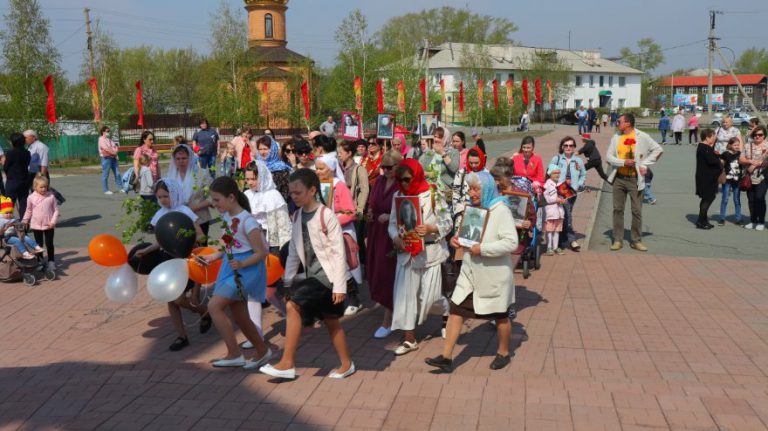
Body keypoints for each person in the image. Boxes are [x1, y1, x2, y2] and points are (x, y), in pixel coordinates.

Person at [260, 169, 354, 380]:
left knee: (292, 305)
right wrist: (287, 281)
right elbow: (294, 251)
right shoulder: (298, 215)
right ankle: (347, 364)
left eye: (298, 192)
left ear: (312, 190)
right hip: (312, 277)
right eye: (291, 193)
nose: (293, 196)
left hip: (328, 278)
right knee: (331, 322)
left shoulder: (326, 215)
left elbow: (339, 253)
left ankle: (287, 363)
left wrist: (340, 287)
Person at [425, 171, 518, 373]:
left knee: (500, 316)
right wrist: (456, 240)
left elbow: (511, 242)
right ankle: (446, 357)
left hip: (493, 276)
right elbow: (466, 237)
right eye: (470, 189)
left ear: (487, 189)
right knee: (456, 310)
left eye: (476, 189)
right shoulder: (474, 210)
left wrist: (482, 249)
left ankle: (503, 352)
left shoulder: (501, 210)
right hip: (470, 273)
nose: (472, 193)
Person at [198, 176, 272, 368]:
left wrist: (242, 263)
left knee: (214, 306)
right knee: (239, 314)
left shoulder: (248, 222)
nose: (214, 204)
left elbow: (262, 252)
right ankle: (262, 351)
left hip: (246, 270)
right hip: (232, 267)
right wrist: (214, 257)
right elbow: (229, 246)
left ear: (231, 197)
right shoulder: (227, 217)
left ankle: (234, 354)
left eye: (217, 200)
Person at [134, 179, 211, 351]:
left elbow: (200, 235)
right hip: (167, 259)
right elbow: (161, 241)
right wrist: (146, 250)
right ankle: (182, 336)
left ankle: (204, 311)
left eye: (166, 196)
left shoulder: (185, 211)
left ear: (174, 193)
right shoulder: (160, 215)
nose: (163, 200)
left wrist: (189, 240)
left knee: (179, 299)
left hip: (184, 258)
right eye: (159, 197)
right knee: (170, 299)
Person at [388, 159, 450, 356]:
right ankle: (409, 339)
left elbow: (447, 222)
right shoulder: (398, 195)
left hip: (429, 253)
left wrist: (431, 228)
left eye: (407, 179)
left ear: (416, 176)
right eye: (400, 179)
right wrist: (395, 237)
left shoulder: (433, 193)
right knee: (405, 297)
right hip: (407, 254)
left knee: (431, 299)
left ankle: (447, 312)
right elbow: (392, 223)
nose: (404, 183)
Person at [606, 113, 663, 251]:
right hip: (619, 178)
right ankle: (618, 240)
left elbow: (658, 150)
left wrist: (644, 164)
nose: (617, 123)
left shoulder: (642, 136)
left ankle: (636, 240)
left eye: (619, 121)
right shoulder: (616, 137)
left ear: (628, 123)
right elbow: (608, 157)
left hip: (635, 180)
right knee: (618, 210)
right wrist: (623, 162)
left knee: (637, 210)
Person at [244, 160, 291, 325]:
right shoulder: (247, 195)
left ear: (262, 177)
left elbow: (283, 225)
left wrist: (280, 251)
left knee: (271, 289)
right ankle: (256, 331)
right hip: (252, 244)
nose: (250, 182)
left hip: (271, 243)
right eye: (247, 179)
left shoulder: (273, 196)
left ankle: (291, 313)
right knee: (255, 289)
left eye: (253, 179)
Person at [315, 154, 363, 315]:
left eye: (321, 168)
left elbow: (351, 212)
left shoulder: (339, 186)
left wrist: (331, 221)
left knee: (344, 266)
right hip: (324, 233)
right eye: (316, 168)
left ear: (331, 169)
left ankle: (354, 299)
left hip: (341, 232)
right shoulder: (317, 186)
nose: (318, 171)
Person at [366, 150, 402, 339]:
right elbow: (372, 202)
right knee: (375, 272)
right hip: (376, 232)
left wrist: (390, 216)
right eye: (383, 167)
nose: (386, 170)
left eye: (389, 167)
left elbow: (406, 209)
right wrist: (370, 212)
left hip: (392, 235)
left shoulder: (402, 183)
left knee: (388, 274)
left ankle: (388, 320)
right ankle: (391, 309)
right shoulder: (379, 181)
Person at [166, 144, 213, 239]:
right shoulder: (170, 177)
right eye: (178, 159)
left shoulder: (202, 173)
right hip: (178, 219)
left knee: (200, 246)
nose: (181, 161)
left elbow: (213, 197)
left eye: (184, 158)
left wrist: (195, 207)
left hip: (200, 218)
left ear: (190, 158)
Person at [550, 136, 586, 251]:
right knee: (567, 215)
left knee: (565, 214)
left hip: (572, 192)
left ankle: (560, 240)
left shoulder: (578, 161)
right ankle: (572, 240)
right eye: (566, 145)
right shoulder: (557, 159)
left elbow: (583, 174)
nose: (568, 147)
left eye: (571, 145)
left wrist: (578, 184)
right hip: (560, 191)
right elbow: (549, 173)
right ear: (562, 146)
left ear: (574, 147)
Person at [339, 141, 370, 264]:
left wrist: (360, 209)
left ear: (349, 153)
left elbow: (364, 190)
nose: (339, 155)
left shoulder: (359, 169)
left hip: (354, 210)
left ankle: (361, 266)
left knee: (357, 240)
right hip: (341, 211)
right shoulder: (339, 169)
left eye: (341, 153)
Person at [452, 147, 487, 231]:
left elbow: (488, 196)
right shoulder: (461, 173)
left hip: (480, 215)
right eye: (471, 163)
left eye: (476, 163)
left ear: (482, 160)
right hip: (462, 215)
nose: (473, 165)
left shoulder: (486, 175)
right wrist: (462, 210)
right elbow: (455, 195)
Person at [419, 127, 460, 199]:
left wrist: (442, 153)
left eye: (440, 137)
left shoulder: (453, 152)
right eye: (435, 136)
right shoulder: (429, 153)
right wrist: (428, 174)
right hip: (429, 193)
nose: (436, 139)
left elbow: (454, 168)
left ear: (446, 138)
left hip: (446, 193)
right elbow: (418, 171)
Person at [740, 125, 768, 230]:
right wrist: (750, 161)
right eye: (755, 135)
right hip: (749, 176)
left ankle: (761, 221)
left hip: (763, 176)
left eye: (760, 134)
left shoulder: (767, 146)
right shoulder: (748, 145)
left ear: (764, 135)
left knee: (759, 198)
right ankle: (753, 220)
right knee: (751, 199)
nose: (757, 136)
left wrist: (757, 164)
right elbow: (741, 159)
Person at [694, 128, 722, 229]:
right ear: (707, 137)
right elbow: (711, 160)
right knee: (708, 198)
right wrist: (719, 160)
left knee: (707, 198)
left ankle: (703, 219)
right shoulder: (704, 148)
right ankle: (701, 221)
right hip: (706, 177)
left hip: (707, 176)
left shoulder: (705, 147)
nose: (714, 138)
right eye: (713, 136)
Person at [255, 135, 293, 203]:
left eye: (265, 149)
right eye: (260, 149)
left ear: (272, 150)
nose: (262, 152)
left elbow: (285, 193)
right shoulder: (256, 166)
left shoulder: (281, 169)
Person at [4, 133, 31, 217]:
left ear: (13, 142)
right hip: (24, 179)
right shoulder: (27, 153)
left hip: (13, 180)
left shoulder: (10, 153)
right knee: (23, 202)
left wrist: (8, 174)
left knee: (8, 202)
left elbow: (6, 167)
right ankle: (24, 222)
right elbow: (27, 164)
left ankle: (8, 221)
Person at [718, 137, 742, 225]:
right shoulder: (725, 154)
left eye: (738, 145)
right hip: (727, 179)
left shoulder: (740, 154)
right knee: (725, 199)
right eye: (735, 145)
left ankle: (738, 218)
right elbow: (720, 162)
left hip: (737, 179)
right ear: (730, 145)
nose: (737, 146)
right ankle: (722, 218)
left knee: (737, 200)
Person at [543, 165, 566, 255]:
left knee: (557, 230)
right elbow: (547, 199)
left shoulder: (560, 184)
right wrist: (556, 199)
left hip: (559, 212)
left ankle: (555, 247)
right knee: (549, 230)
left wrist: (564, 200)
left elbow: (563, 196)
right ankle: (549, 247)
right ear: (550, 174)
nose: (557, 175)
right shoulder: (547, 185)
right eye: (555, 173)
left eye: (558, 173)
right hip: (551, 212)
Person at [98, 126, 123, 194]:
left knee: (117, 173)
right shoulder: (101, 139)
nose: (108, 132)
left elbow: (115, 146)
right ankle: (106, 190)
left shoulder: (109, 140)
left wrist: (115, 152)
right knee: (105, 174)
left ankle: (120, 188)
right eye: (107, 131)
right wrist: (114, 152)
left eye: (109, 131)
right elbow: (106, 148)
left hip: (113, 158)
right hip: (106, 158)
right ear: (103, 132)